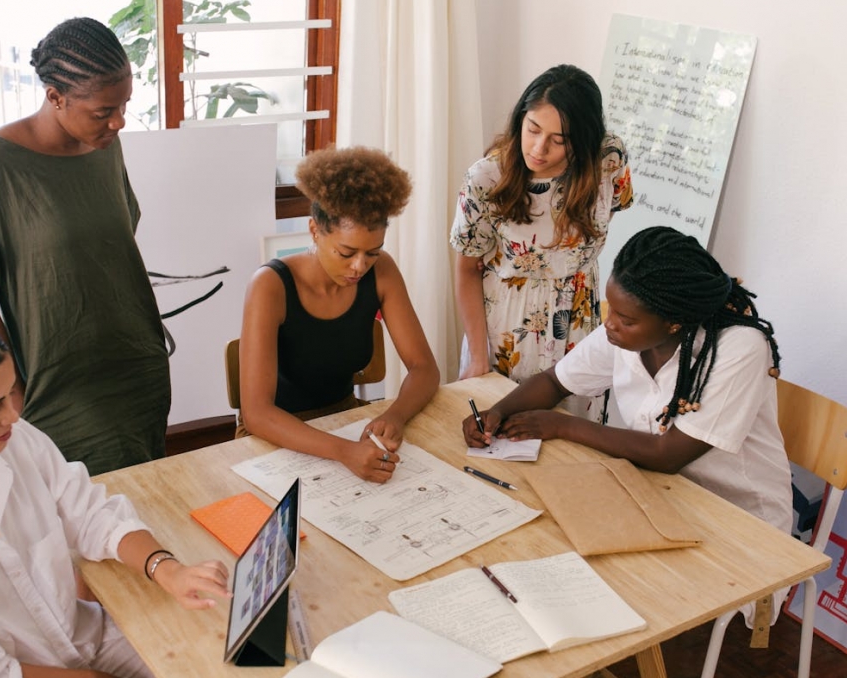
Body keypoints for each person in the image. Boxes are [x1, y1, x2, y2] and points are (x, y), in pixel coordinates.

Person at [463, 225, 792, 625]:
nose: (611, 324)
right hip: (659, 493)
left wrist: (562, 426)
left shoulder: (738, 349)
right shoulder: (625, 334)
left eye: (626, 319)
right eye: (610, 310)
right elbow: (554, 381)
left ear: (672, 322)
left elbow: (668, 454)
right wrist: (496, 413)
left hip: (736, 519)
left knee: (596, 582)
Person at [0, 311, 230, 677]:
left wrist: (167, 569)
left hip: (89, 637)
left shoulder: (13, 440)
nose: (12, 416)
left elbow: (91, 513)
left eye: (10, 394)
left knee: (219, 656)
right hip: (22, 672)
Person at [0, 17, 170, 476]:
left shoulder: (105, 144)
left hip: (136, 365)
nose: (118, 121)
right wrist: (10, 390)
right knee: (80, 516)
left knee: (144, 501)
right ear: (55, 97)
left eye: (124, 105)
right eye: (103, 111)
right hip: (58, 383)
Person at [238, 146, 440, 483]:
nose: (359, 266)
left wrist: (396, 415)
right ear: (315, 230)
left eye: (372, 253)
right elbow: (257, 414)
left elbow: (424, 368)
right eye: (346, 253)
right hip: (275, 436)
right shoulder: (270, 285)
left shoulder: (382, 272)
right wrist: (344, 452)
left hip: (344, 421)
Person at [451, 64, 633, 401]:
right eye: (532, 129)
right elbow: (465, 270)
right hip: (507, 330)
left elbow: (607, 215)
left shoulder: (609, 161)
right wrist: (479, 357)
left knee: (574, 445)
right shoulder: (487, 178)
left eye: (558, 140)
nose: (538, 148)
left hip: (580, 325)